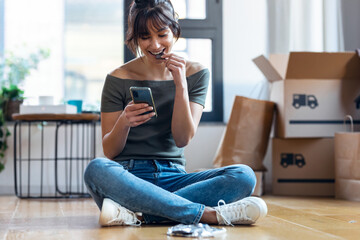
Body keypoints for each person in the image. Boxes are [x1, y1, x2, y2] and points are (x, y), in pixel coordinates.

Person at [84, 0, 267, 227]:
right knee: (96, 169)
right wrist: (124, 122)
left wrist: (181, 84)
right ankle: (207, 214)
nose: (154, 44)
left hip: (176, 177)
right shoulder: (117, 77)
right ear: (135, 39)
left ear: (175, 31)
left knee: (244, 175)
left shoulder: (196, 73)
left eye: (162, 34)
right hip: (129, 178)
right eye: (145, 37)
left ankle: (138, 215)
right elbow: (110, 152)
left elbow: (183, 138)